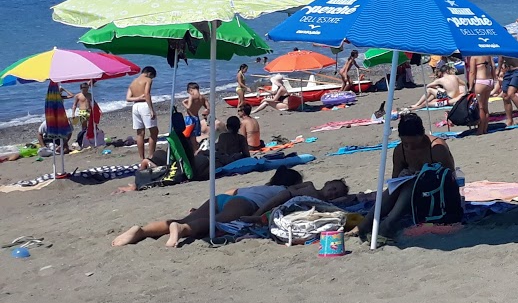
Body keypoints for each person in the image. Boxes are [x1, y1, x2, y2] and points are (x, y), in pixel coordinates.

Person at [112, 169, 349, 247]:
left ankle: (141, 231)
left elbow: (230, 191)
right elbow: (280, 201)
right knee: (216, 224)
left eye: (337, 193)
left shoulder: (258, 185)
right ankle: (181, 229)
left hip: (224, 197)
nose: (334, 193)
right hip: (244, 204)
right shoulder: (283, 192)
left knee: (193, 218)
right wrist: (256, 215)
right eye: (335, 188)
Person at [127, 65, 159, 167]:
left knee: (140, 133)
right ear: (149, 73)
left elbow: (128, 98)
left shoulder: (133, 81)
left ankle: (142, 158)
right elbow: (147, 94)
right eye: (152, 76)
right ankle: (151, 156)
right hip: (144, 106)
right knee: (154, 131)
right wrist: (151, 109)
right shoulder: (147, 80)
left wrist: (138, 97)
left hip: (135, 106)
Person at [465, 52, 496, 135]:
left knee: (481, 108)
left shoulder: (474, 57)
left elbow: (472, 73)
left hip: (481, 81)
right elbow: (493, 67)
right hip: (489, 81)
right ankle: (485, 129)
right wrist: (494, 80)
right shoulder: (488, 55)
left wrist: (470, 87)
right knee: (485, 106)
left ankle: (480, 130)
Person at [498, 54, 518, 124]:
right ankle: (510, 120)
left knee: (511, 94)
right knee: (505, 96)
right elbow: (501, 59)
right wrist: (498, 70)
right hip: (508, 72)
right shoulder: (502, 47)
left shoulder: (514, 45)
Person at [69, 83, 97, 152]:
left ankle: (93, 139)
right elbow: (74, 105)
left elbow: (94, 102)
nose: (86, 89)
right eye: (84, 88)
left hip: (89, 111)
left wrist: (97, 110)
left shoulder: (90, 95)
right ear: (81, 88)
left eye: (87, 87)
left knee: (93, 125)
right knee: (84, 127)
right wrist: (73, 113)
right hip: (82, 111)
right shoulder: (78, 95)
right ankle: (83, 140)